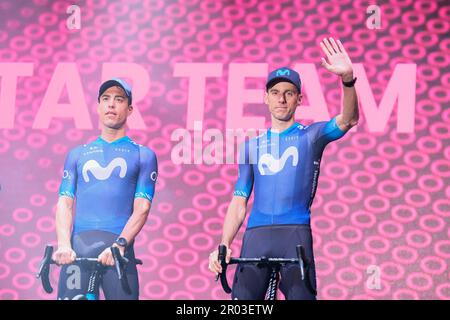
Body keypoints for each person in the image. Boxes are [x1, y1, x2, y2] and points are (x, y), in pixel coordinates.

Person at [208, 37, 359, 300]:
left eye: (289, 93)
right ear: (265, 98)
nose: (282, 99)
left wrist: (347, 79)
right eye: (275, 93)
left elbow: (349, 119)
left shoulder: (311, 136)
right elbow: (239, 200)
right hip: (256, 236)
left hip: (295, 235)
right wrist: (224, 243)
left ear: (299, 99)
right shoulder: (251, 147)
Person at [53, 78, 158, 300]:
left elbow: (142, 208)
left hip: (119, 251)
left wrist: (120, 245)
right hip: (78, 250)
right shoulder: (77, 154)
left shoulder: (144, 155)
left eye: (119, 99)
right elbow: (65, 202)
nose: (111, 104)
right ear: (98, 107)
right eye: (106, 99)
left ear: (129, 109)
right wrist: (63, 244)